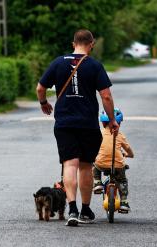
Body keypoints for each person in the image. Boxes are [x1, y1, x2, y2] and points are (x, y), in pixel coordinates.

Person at [36, 29, 119, 226]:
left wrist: (43, 103)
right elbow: (105, 96)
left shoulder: (58, 62)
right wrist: (112, 120)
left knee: (69, 165)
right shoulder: (95, 65)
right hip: (88, 124)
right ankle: (85, 210)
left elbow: (41, 88)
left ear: (73, 43)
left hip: (64, 124)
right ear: (91, 44)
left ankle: (71, 209)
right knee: (85, 167)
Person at [93, 108, 134, 212]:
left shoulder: (100, 133)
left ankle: (97, 182)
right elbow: (128, 149)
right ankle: (124, 202)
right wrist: (129, 155)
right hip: (118, 165)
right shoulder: (120, 135)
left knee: (95, 165)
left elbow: (94, 147)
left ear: (102, 123)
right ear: (118, 123)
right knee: (122, 180)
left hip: (101, 163)